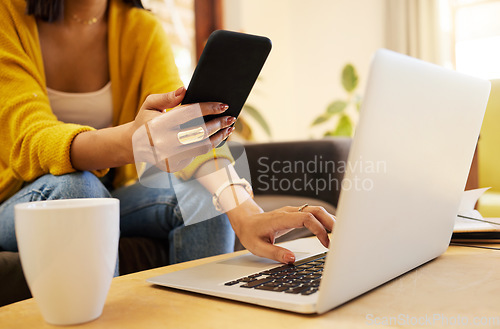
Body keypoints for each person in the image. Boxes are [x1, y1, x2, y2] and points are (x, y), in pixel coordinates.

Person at [0, 0, 334, 270]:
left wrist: (244, 210)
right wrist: (135, 140)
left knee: (203, 199)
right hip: (19, 199)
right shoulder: (7, 16)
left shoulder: (141, 28)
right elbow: (29, 139)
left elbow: (182, 128)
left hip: (108, 194)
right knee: (80, 190)